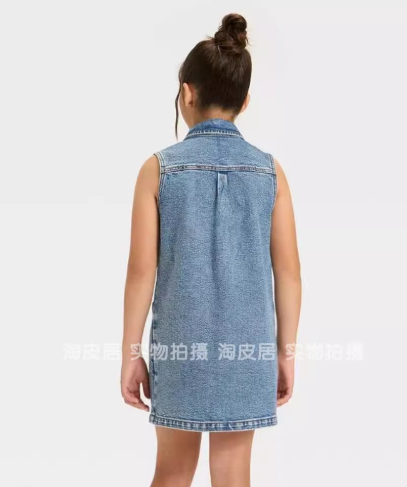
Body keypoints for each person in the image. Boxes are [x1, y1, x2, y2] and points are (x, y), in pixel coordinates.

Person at [121, 13, 301, 487]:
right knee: (233, 475)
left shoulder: (158, 170)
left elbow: (141, 272)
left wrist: (131, 353)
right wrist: (285, 353)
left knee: (172, 472)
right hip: (249, 351)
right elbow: (289, 273)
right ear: (244, 101)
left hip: (180, 348)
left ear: (187, 93)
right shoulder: (271, 172)